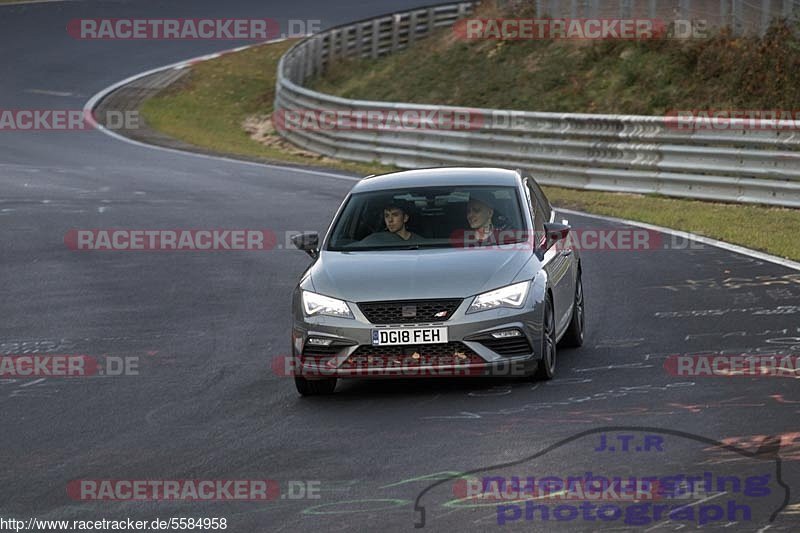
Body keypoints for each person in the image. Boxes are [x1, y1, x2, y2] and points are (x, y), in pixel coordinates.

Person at [359, 200, 423, 245]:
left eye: (395, 215)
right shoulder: (376, 240)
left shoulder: (419, 242)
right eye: (386, 216)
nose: (390, 220)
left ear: (405, 218)